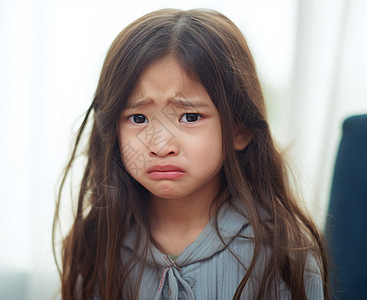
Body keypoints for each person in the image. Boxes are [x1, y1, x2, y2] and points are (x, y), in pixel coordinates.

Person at [53, 8, 329, 300]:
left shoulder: (284, 255)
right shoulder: (98, 243)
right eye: (138, 119)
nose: (160, 146)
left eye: (190, 117)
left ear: (240, 128)